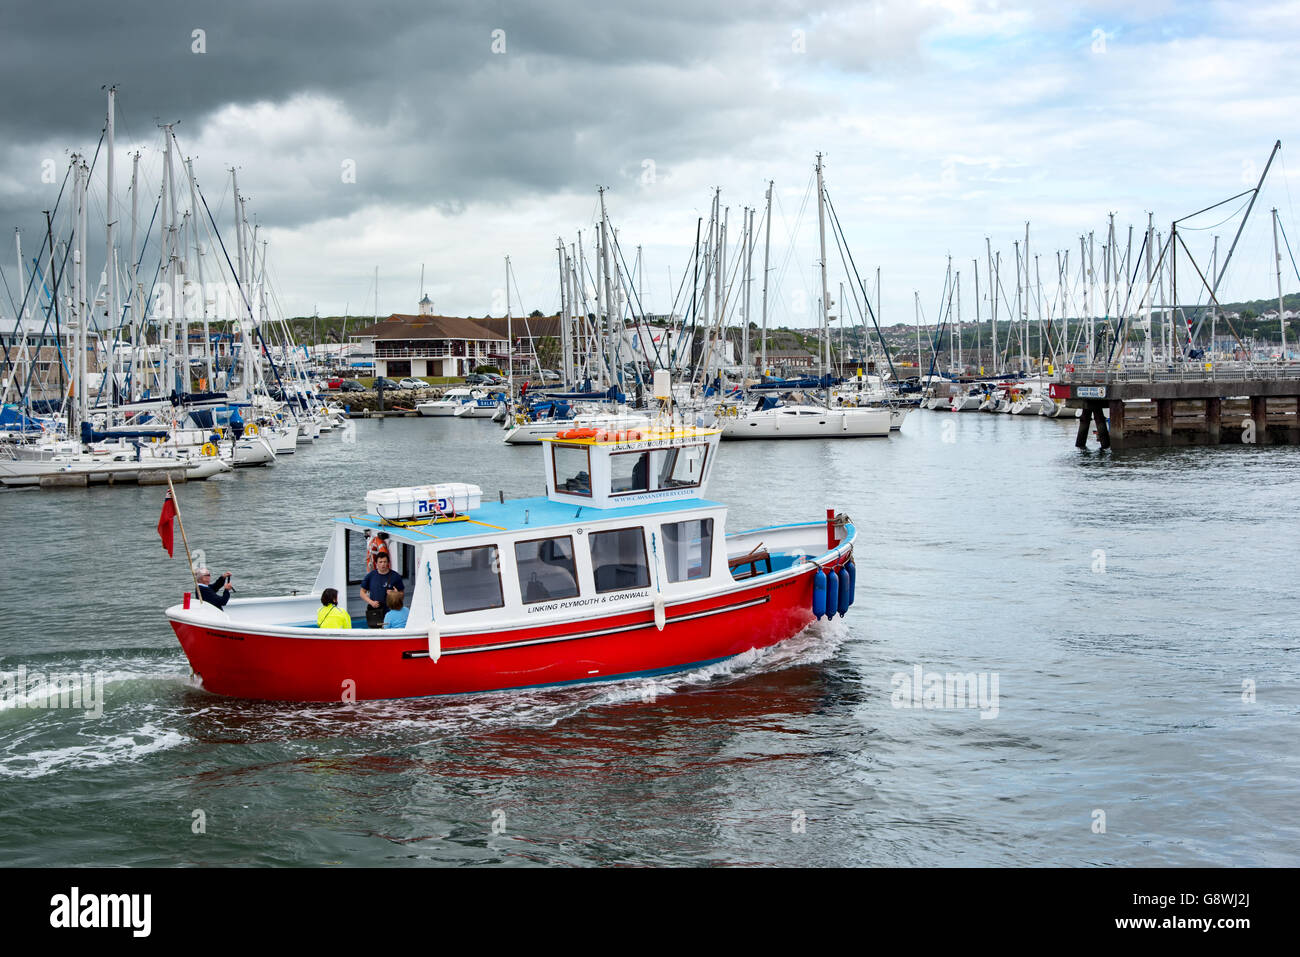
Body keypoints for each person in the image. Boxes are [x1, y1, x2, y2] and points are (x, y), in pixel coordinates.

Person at [360, 552, 404, 628]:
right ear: (376, 563)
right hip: (375, 611)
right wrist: (371, 602)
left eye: (385, 562)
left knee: (388, 631)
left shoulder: (395, 576)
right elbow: (362, 593)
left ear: (388, 563)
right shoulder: (371, 575)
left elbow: (402, 594)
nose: (383, 564)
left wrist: (395, 593)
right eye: (380, 562)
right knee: (375, 632)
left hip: (391, 611)